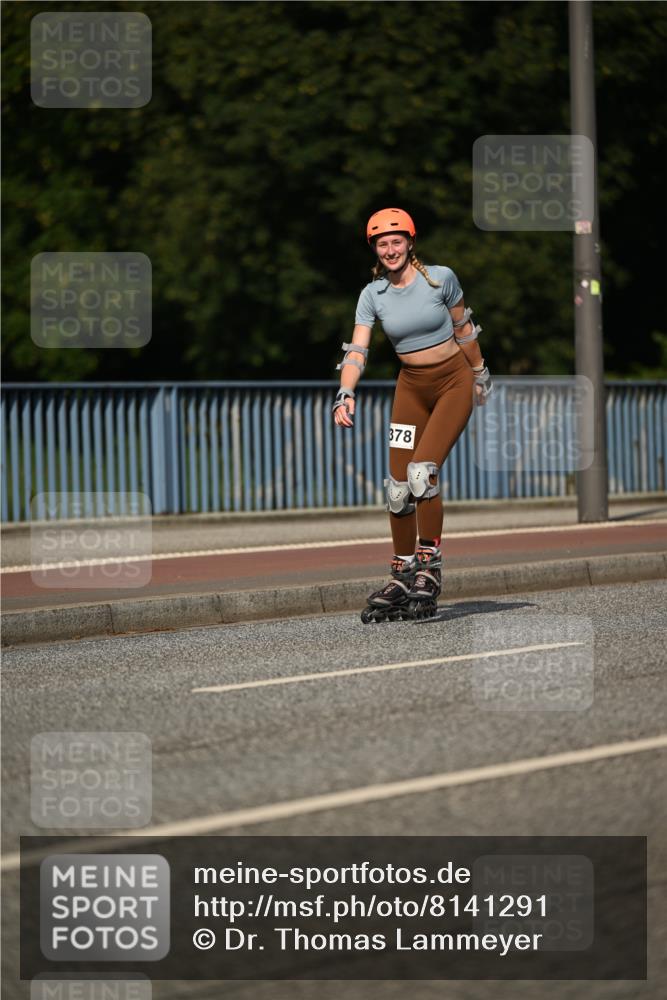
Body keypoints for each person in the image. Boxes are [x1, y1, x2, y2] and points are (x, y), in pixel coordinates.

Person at [332, 207, 492, 622]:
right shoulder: (372, 295)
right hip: (411, 389)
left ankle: (429, 567)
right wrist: (345, 393)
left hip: (453, 383)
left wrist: (479, 373)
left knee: (422, 473)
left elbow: (464, 330)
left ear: (410, 242)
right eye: (382, 244)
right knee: (398, 488)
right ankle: (402, 574)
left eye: (396, 241)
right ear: (375, 249)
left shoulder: (440, 279)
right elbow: (357, 350)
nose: (390, 250)